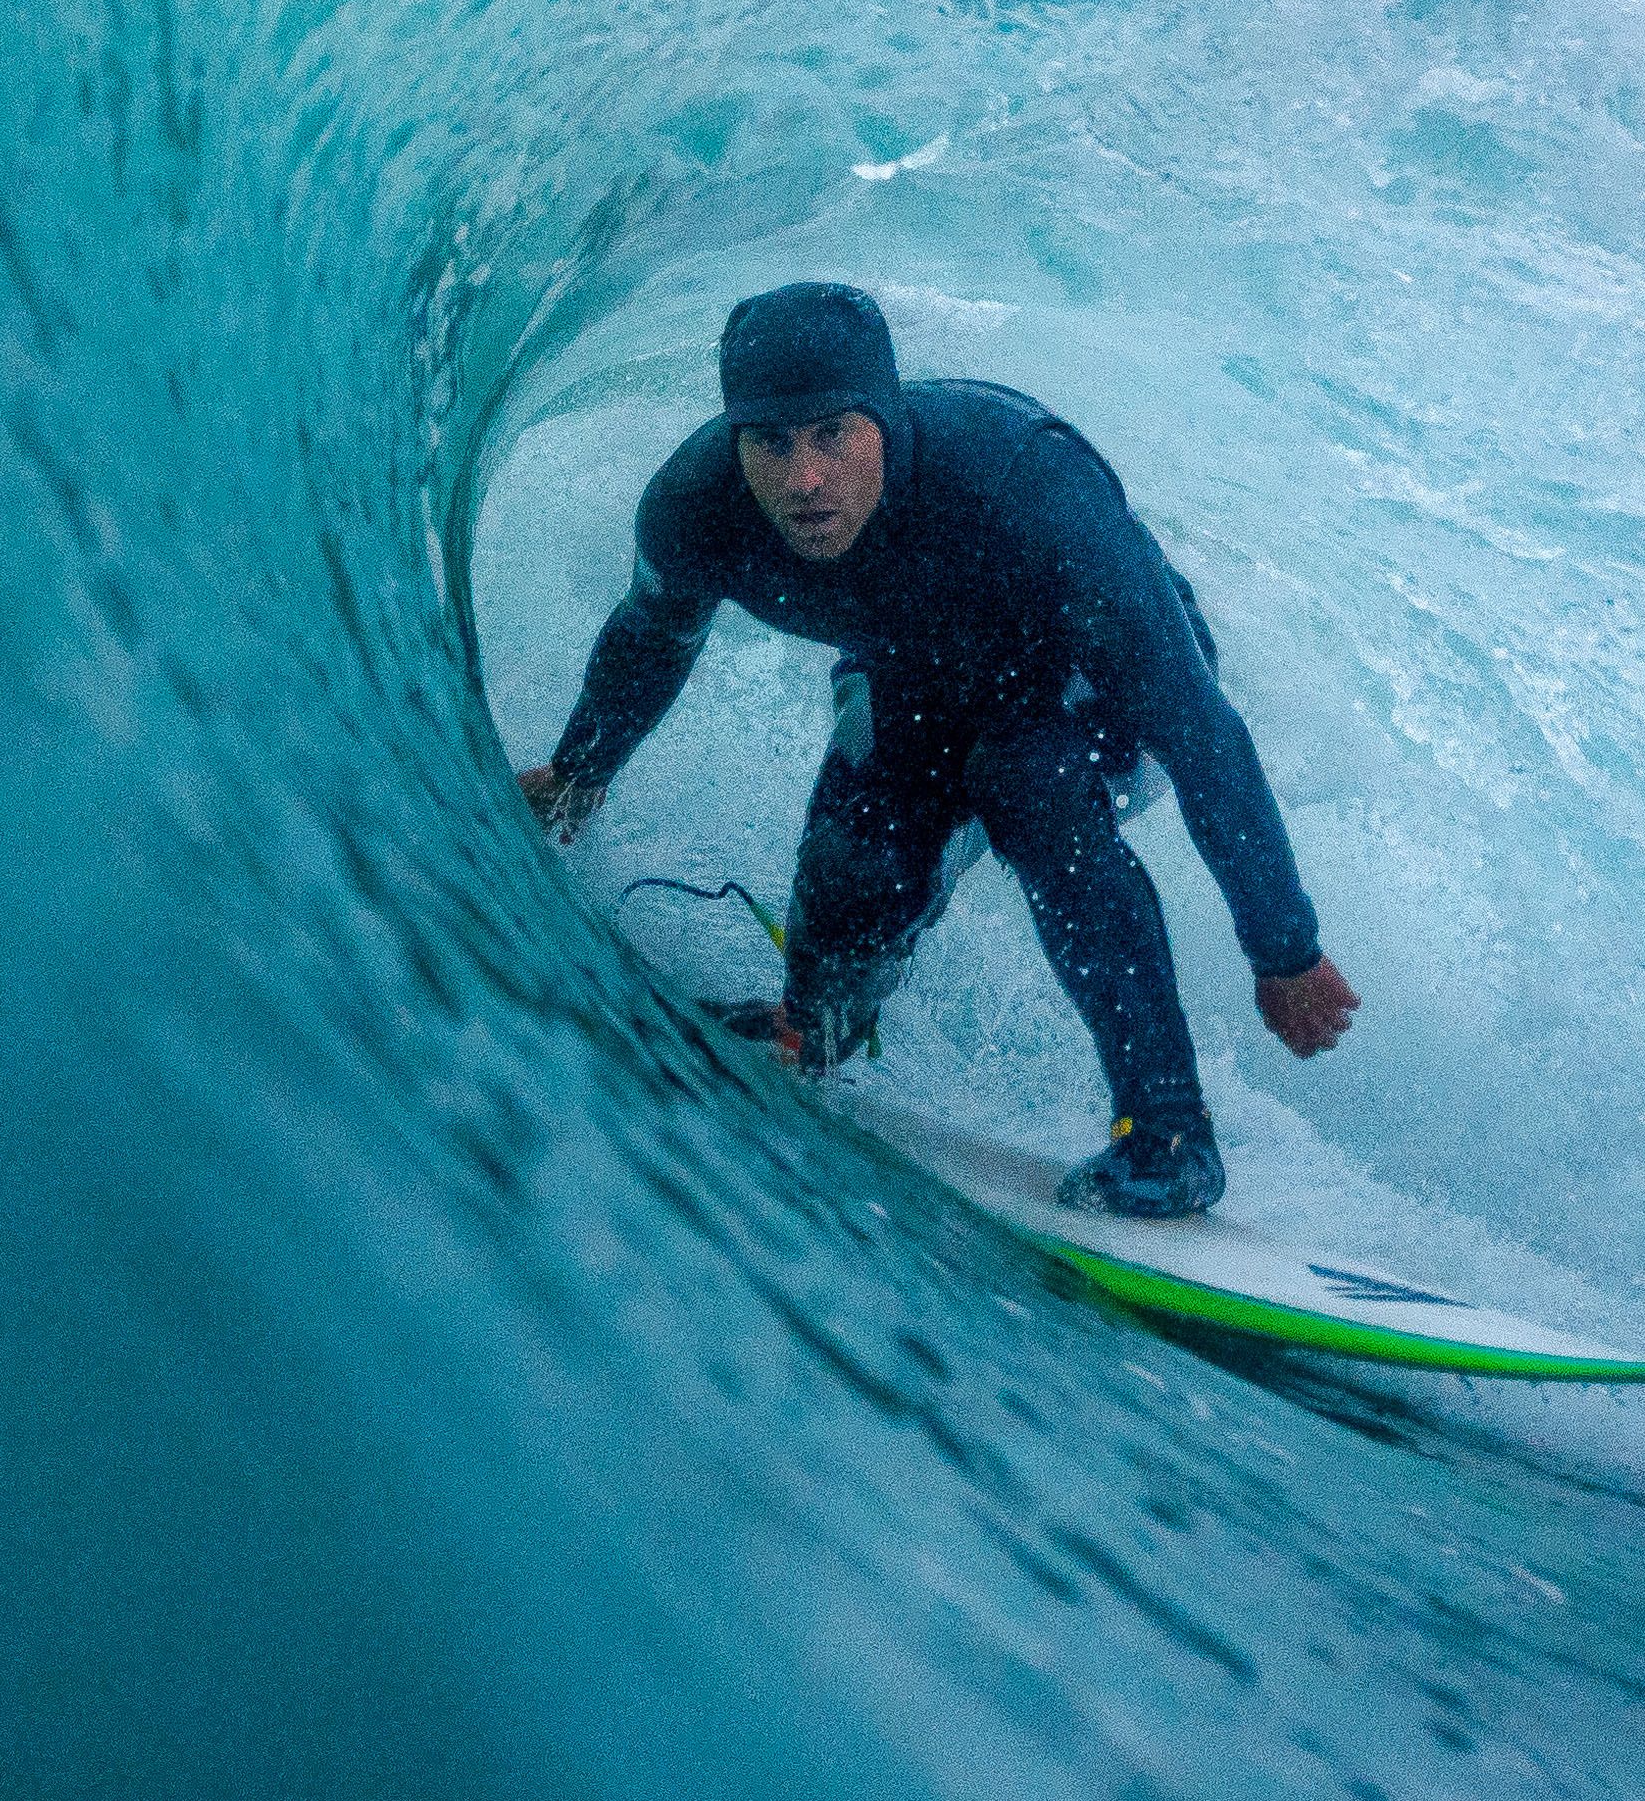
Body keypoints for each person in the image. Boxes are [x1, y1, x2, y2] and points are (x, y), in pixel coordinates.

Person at [518, 281, 1358, 1217]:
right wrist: (578, 774)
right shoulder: (698, 505)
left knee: (1028, 785)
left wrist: (1282, 945)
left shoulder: (1021, 483)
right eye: (771, 440)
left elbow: (1196, 728)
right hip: (918, 675)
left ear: (884, 416)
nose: (802, 479)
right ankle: (813, 1029)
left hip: (1092, 683)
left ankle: (1166, 1136)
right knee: (855, 862)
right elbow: (652, 635)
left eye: (833, 434)